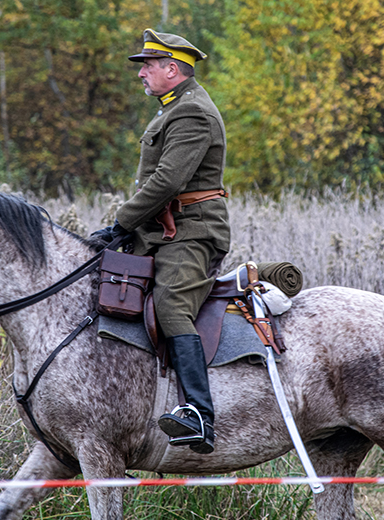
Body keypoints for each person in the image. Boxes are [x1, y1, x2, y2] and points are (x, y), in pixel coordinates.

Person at [92, 29, 230, 454]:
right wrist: (127, 230)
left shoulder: (191, 113)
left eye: (148, 66)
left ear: (173, 69)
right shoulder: (172, 109)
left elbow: (169, 180)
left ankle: (198, 415)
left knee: (171, 304)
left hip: (193, 232)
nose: (141, 75)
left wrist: (121, 222)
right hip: (160, 230)